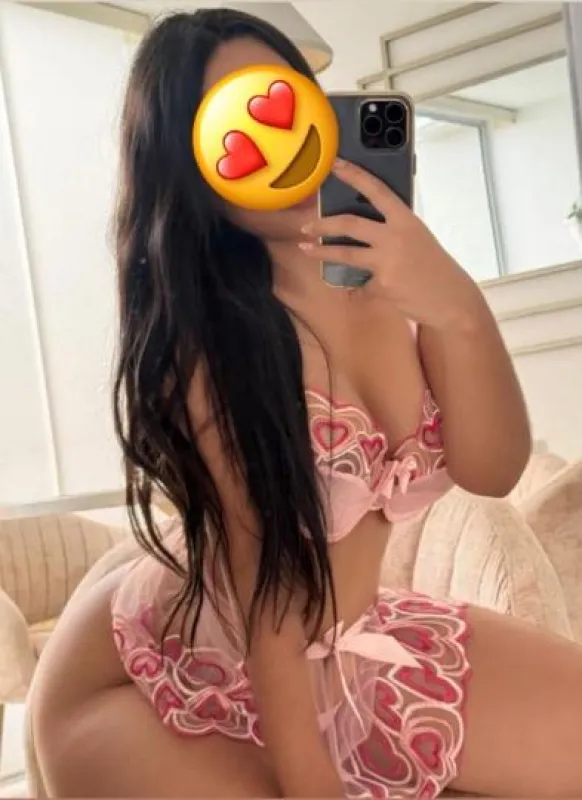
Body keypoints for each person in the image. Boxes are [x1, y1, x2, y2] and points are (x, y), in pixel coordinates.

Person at [31, 8, 582, 799]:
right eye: (237, 128)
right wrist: (310, 779)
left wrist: (458, 307)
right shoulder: (212, 339)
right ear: (189, 164)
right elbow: (266, 584)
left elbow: (491, 471)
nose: (277, 142)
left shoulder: (392, 279)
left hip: (346, 633)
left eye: (290, 102)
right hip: (152, 672)